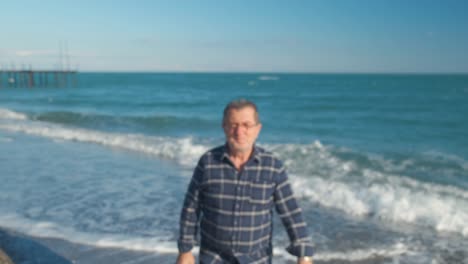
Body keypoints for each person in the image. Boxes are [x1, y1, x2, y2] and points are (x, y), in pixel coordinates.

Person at [177, 99, 314, 264]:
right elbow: (191, 208)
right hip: (213, 258)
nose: (239, 131)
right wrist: (185, 251)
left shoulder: (272, 166)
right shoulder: (208, 162)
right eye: (233, 125)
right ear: (224, 127)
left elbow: (291, 213)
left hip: (257, 259)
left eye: (246, 125)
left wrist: (304, 255)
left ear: (258, 129)